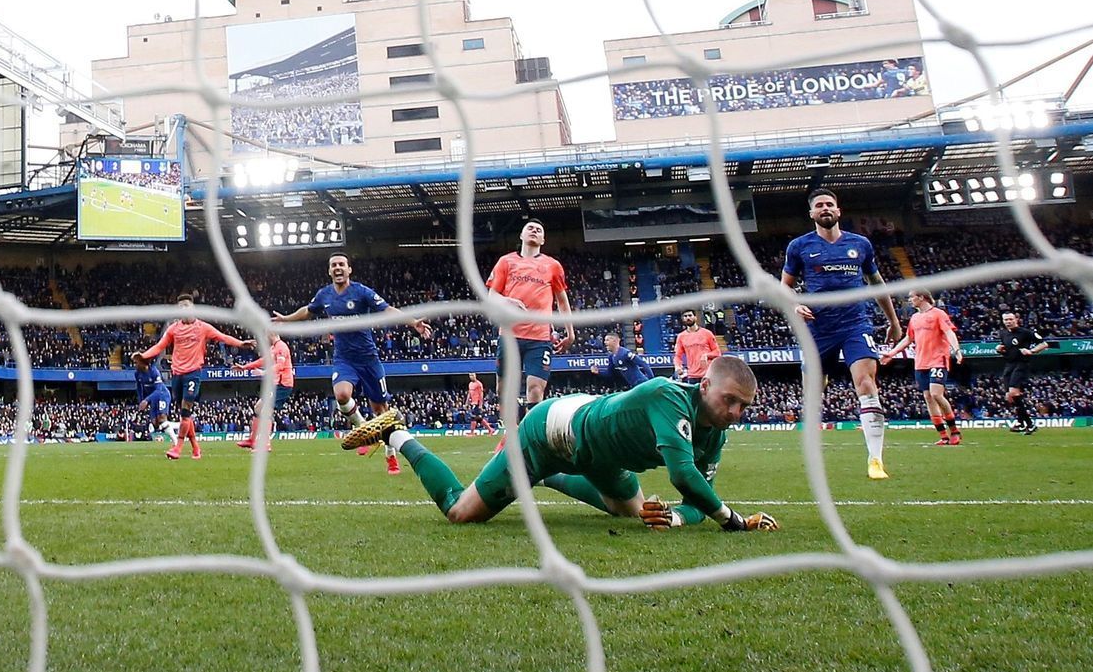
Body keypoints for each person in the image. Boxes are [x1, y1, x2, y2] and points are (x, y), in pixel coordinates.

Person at [343, 355, 779, 531]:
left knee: (630, 511)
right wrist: (734, 521)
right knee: (460, 513)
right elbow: (685, 476)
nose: (736, 413)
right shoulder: (668, 395)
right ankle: (396, 432)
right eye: (730, 401)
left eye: (744, 406)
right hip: (553, 430)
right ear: (704, 386)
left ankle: (546, 479)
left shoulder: (715, 434)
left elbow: (696, 497)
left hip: (599, 449)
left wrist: (677, 519)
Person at [780, 188, 903, 479]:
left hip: (855, 324)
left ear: (839, 210)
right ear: (811, 213)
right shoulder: (799, 247)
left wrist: (894, 322)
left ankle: (875, 459)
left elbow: (878, 284)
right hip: (818, 327)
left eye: (830, 204)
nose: (825, 208)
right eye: (819, 205)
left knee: (865, 382)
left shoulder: (860, 245)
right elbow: (784, 287)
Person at [270, 252, 431, 475]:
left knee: (381, 412)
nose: (338, 268)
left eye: (341, 265)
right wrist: (285, 319)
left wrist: (413, 322)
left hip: (368, 359)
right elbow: (308, 311)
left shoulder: (361, 292)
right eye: (333, 265)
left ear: (349, 269)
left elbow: (387, 310)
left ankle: (391, 457)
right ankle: (364, 430)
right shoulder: (324, 295)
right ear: (329, 271)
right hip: (344, 359)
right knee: (342, 395)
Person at [134, 295, 251, 460]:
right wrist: (143, 356)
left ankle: (178, 448)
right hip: (177, 374)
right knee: (184, 414)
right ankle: (196, 448)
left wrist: (240, 344)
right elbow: (160, 346)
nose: (183, 309)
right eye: (180, 306)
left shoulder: (203, 327)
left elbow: (222, 337)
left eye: (186, 305)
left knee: (185, 411)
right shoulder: (174, 329)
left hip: (193, 373)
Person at [485, 220, 574, 414]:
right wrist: (507, 301)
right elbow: (492, 296)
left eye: (539, 230)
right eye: (530, 228)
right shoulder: (506, 261)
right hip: (509, 335)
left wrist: (570, 332)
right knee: (503, 388)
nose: (534, 231)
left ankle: (530, 434)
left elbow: (562, 301)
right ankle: (513, 429)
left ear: (543, 239)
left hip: (540, 338)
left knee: (535, 388)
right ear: (521, 235)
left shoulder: (553, 266)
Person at [882, 289, 964, 446]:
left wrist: (957, 351)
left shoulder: (938, 314)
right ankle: (943, 435)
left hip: (938, 360)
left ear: (921, 297)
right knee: (928, 397)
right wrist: (891, 354)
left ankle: (954, 431)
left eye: (911, 297)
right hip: (920, 362)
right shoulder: (914, 318)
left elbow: (949, 333)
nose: (910, 300)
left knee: (936, 394)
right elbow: (908, 339)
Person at [234, 331, 296, 452]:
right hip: (276, 384)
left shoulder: (282, 347)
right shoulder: (273, 348)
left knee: (266, 411)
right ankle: (252, 440)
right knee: (258, 408)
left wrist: (264, 373)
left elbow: (280, 366)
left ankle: (265, 444)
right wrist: (244, 367)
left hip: (283, 385)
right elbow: (262, 361)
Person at [997, 311, 1051, 435]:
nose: (1008, 322)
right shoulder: (1003, 333)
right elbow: (1007, 348)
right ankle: (1021, 422)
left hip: (1021, 364)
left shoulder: (1025, 332)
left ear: (1016, 319)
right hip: (1008, 365)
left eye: (1010, 319)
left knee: (1013, 392)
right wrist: (999, 349)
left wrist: (1031, 351)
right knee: (1009, 397)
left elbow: (1044, 344)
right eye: (1006, 320)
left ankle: (1030, 424)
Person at [135, 354, 178, 445]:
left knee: (162, 419)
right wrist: (141, 401)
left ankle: (176, 442)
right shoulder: (137, 373)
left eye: (137, 362)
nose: (135, 364)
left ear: (143, 363)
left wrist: (146, 400)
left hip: (162, 394)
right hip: (153, 397)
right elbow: (139, 388)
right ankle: (181, 425)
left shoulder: (154, 372)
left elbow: (158, 390)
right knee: (156, 423)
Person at [673, 310, 722, 383]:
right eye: (685, 316)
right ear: (683, 319)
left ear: (695, 317)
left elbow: (717, 352)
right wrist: (678, 366)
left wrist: (706, 355)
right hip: (692, 375)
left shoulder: (707, 333)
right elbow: (677, 356)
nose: (688, 318)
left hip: (707, 375)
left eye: (690, 315)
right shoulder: (681, 337)